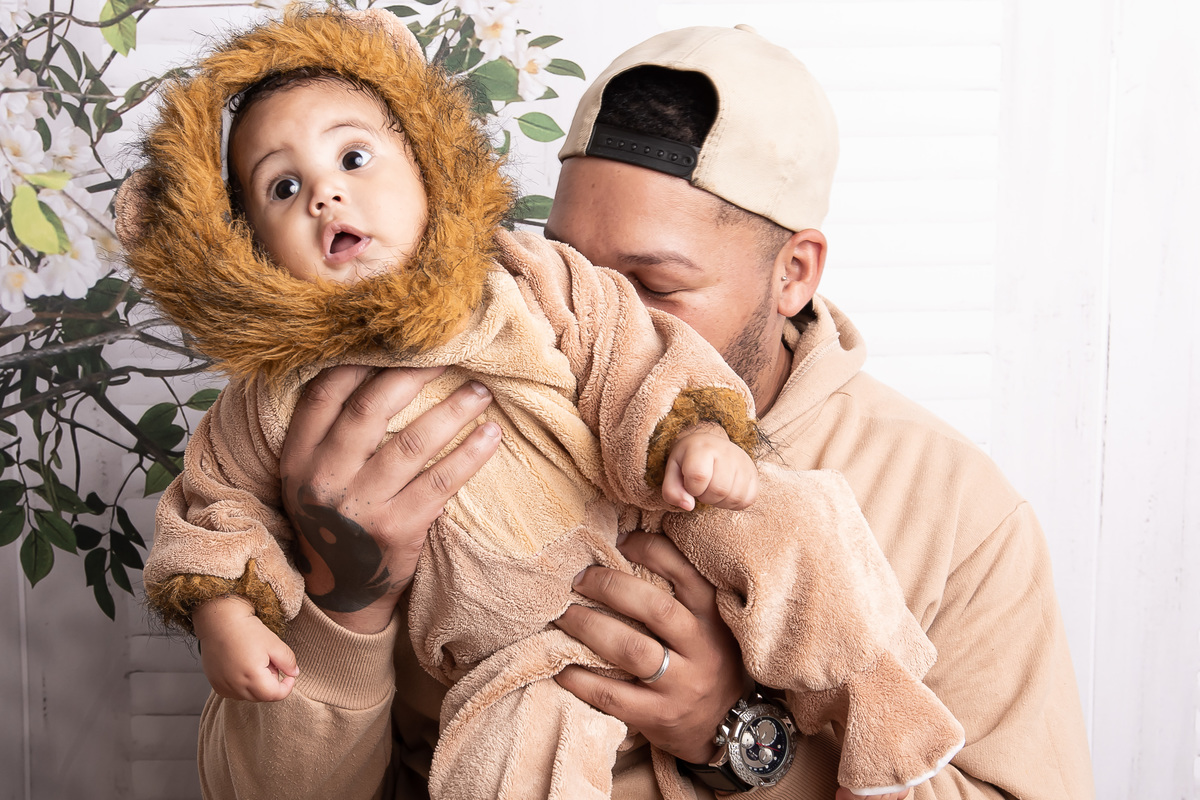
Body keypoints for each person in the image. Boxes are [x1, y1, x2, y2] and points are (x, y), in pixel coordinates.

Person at [193, 20, 1095, 800]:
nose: (595, 307)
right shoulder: (402, 420)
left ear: (794, 274)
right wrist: (346, 609)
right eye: (567, 261)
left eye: (652, 284)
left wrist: (740, 737)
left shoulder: (957, 511)